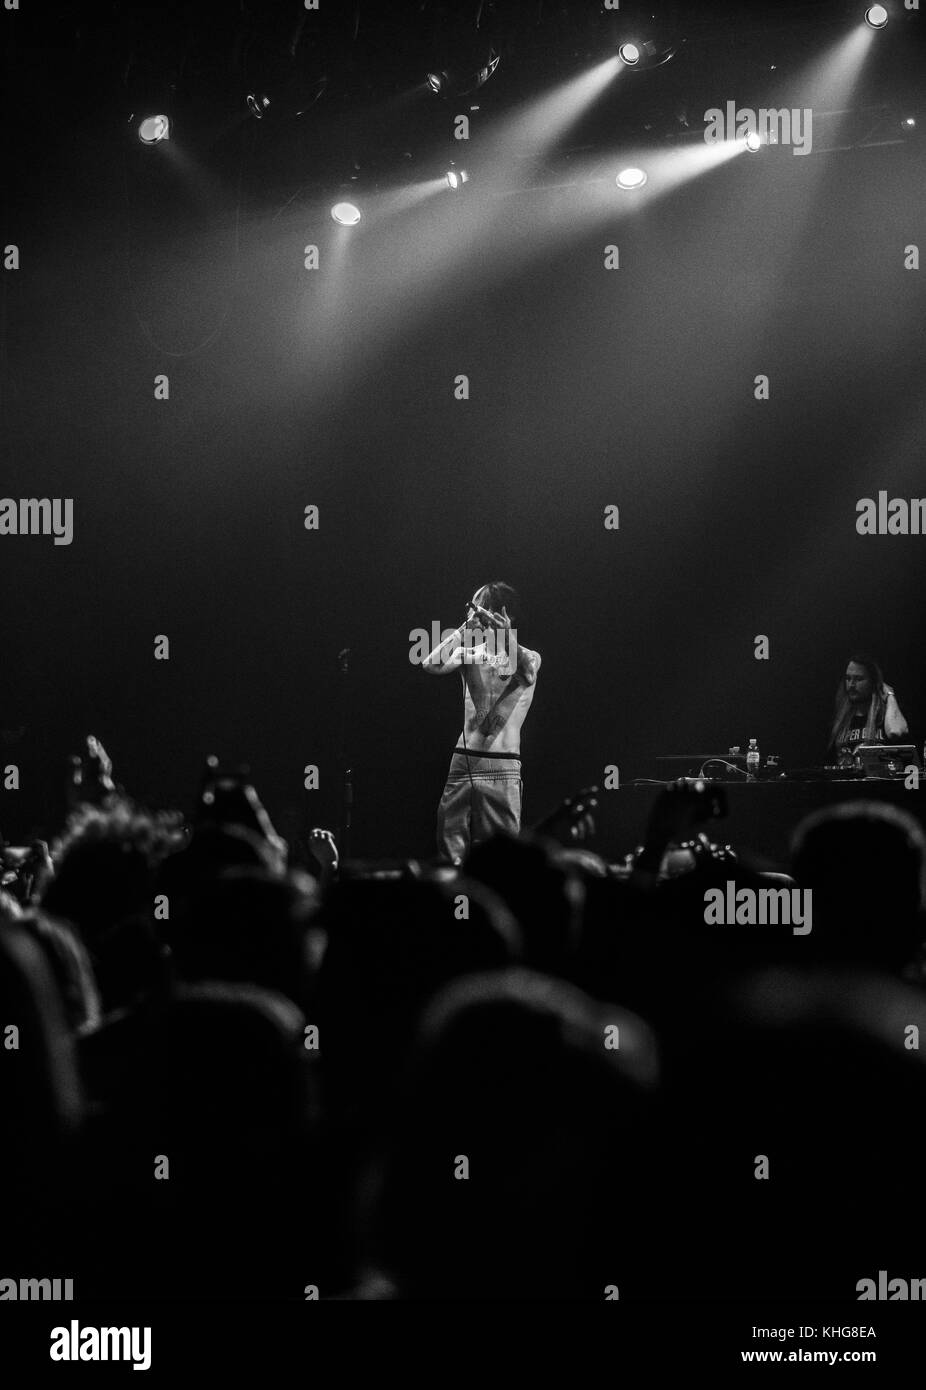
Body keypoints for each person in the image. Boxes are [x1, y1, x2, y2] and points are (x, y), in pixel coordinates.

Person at [423, 582, 540, 864]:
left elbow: (527, 674)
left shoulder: (529, 656)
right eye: (475, 609)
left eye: (483, 609)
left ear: (505, 614)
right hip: (463, 762)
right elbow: (430, 664)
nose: (480, 616)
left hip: (502, 763)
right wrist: (464, 629)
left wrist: (505, 633)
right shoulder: (469, 653)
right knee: (450, 847)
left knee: (503, 856)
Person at [829, 653, 909, 766]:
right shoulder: (840, 720)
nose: (851, 684)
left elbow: (895, 732)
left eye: (859, 679)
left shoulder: (888, 715)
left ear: (873, 682)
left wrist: (890, 695)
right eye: (848, 678)